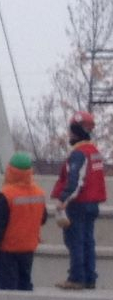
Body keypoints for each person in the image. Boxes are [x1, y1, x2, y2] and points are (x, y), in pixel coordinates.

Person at [52, 110, 105, 290]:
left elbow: (76, 180)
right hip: (92, 204)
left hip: (79, 204)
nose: (69, 134)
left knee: (75, 241)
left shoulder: (79, 154)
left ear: (76, 131)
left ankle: (76, 278)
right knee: (87, 241)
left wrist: (63, 199)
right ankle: (89, 277)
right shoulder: (94, 151)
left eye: (71, 130)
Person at [0, 151, 46, 292]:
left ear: (10, 171)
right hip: (28, 248)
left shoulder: (6, 194)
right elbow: (43, 218)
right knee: (25, 286)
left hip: (7, 250)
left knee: (8, 290)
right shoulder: (39, 193)